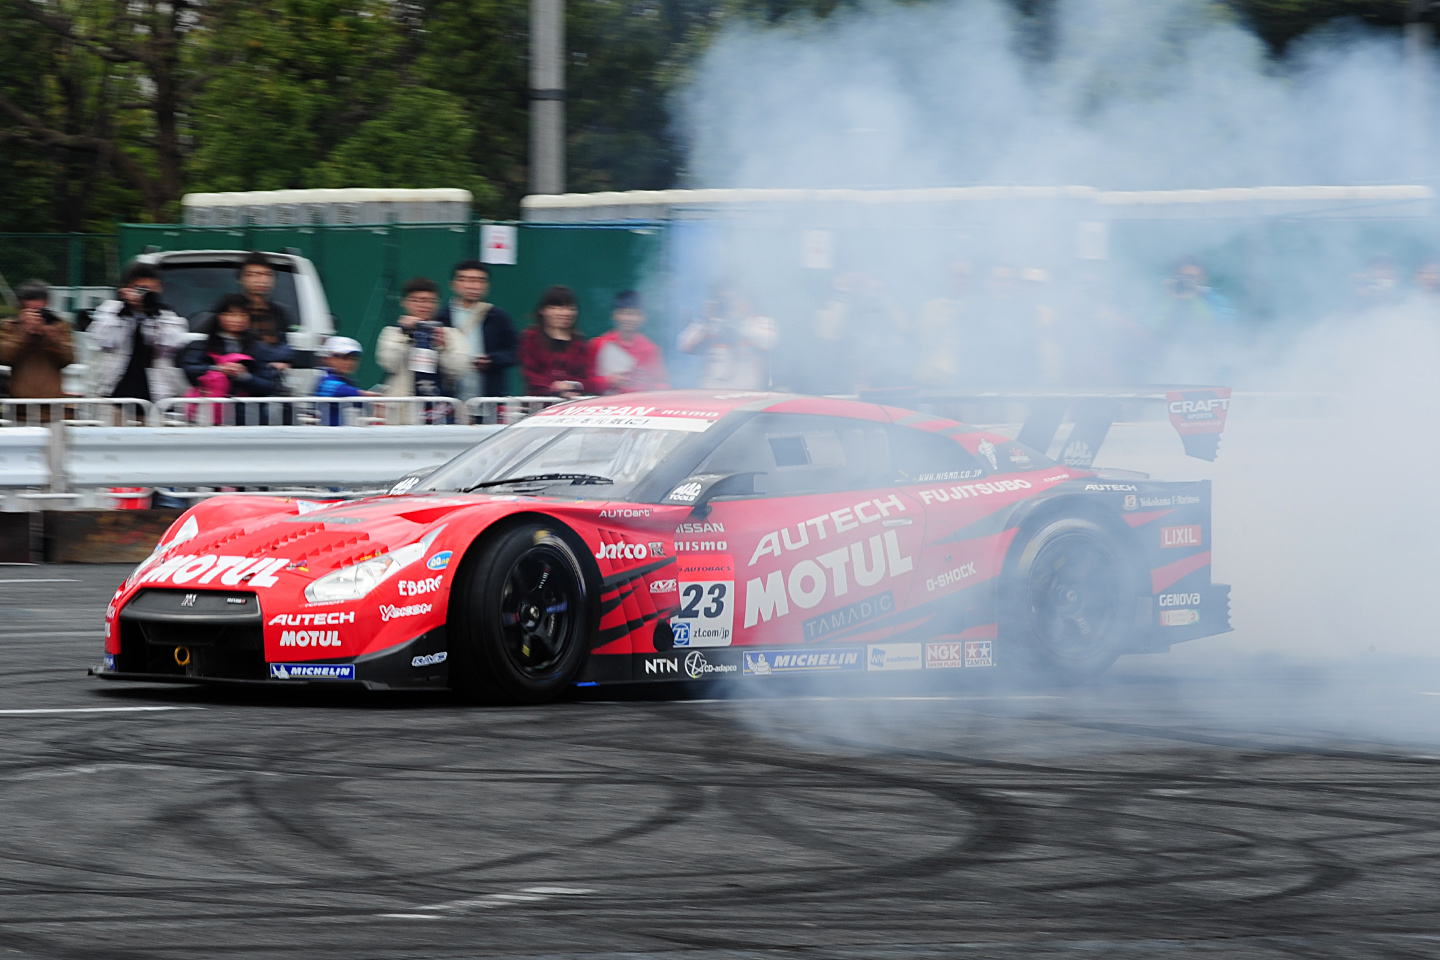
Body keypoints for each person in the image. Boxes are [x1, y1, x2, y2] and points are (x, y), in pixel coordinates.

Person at [87, 263, 190, 403]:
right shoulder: (112, 310)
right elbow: (104, 340)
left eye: (151, 290)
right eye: (141, 289)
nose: (145, 294)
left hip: (155, 393)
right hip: (114, 390)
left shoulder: (168, 317)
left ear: (160, 288)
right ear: (127, 287)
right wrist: (125, 311)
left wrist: (152, 315)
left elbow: (171, 344)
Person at [179, 293, 281, 423]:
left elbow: (268, 385)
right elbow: (190, 369)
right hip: (209, 413)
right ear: (219, 316)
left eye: (243, 314)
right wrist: (218, 369)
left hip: (248, 415)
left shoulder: (260, 348)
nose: (237, 319)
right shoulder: (201, 345)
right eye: (231, 314)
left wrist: (244, 376)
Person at [433, 259, 517, 398]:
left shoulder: (498, 317)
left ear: (487, 285)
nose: (472, 285)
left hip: (489, 396)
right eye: (465, 280)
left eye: (479, 280)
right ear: (452, 284)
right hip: (448, 396)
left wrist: (492, 360)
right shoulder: (440, 318)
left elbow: (515, 351)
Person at [376, 277, 470, 400]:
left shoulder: (451, 334)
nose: (425, 305)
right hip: (404, 403)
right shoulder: (392, 332)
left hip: (440, 403)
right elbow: (389, 364)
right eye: (417, 300)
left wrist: (443, 347)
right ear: (404, 302)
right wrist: (404, 334)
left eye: (431, 301)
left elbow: (458, 370)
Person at [676, 286, 778, 390]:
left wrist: (734, 324)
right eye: (724, 300)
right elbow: (683, 345)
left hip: (747, 391)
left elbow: (769, 342)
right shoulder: (709, 323)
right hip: (711, 390)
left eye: (734, 299)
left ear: (747, 301)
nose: (731, 304)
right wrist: (708, 320)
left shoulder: (759, 322)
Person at [0, 279, 74, 399]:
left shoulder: (58, 325)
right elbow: (5, 357)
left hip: (51, 399)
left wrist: (49, 336)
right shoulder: (10, 326)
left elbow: (68, 359)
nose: (35, 316)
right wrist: (24, 334)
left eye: (39, 311)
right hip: (19, 400)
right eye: (31, 311)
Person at [592, 290, 668, 394]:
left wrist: (651, 387)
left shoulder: (650, 349)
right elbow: (586, 382)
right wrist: (608, 381)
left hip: (639, 401)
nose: (628, 318)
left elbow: (661, 382)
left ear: (643, 317)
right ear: (613, 315)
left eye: (634, 314)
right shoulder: (598, 345)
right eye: (623, 313)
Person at [314, 336, 377, 425]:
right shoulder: (324, 378)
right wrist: (363, 394)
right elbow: (334, 389)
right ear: (328, 358)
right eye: (343, 357)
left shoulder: (350, 381)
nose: (349, 362)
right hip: (327, 432)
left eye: (353, 358)